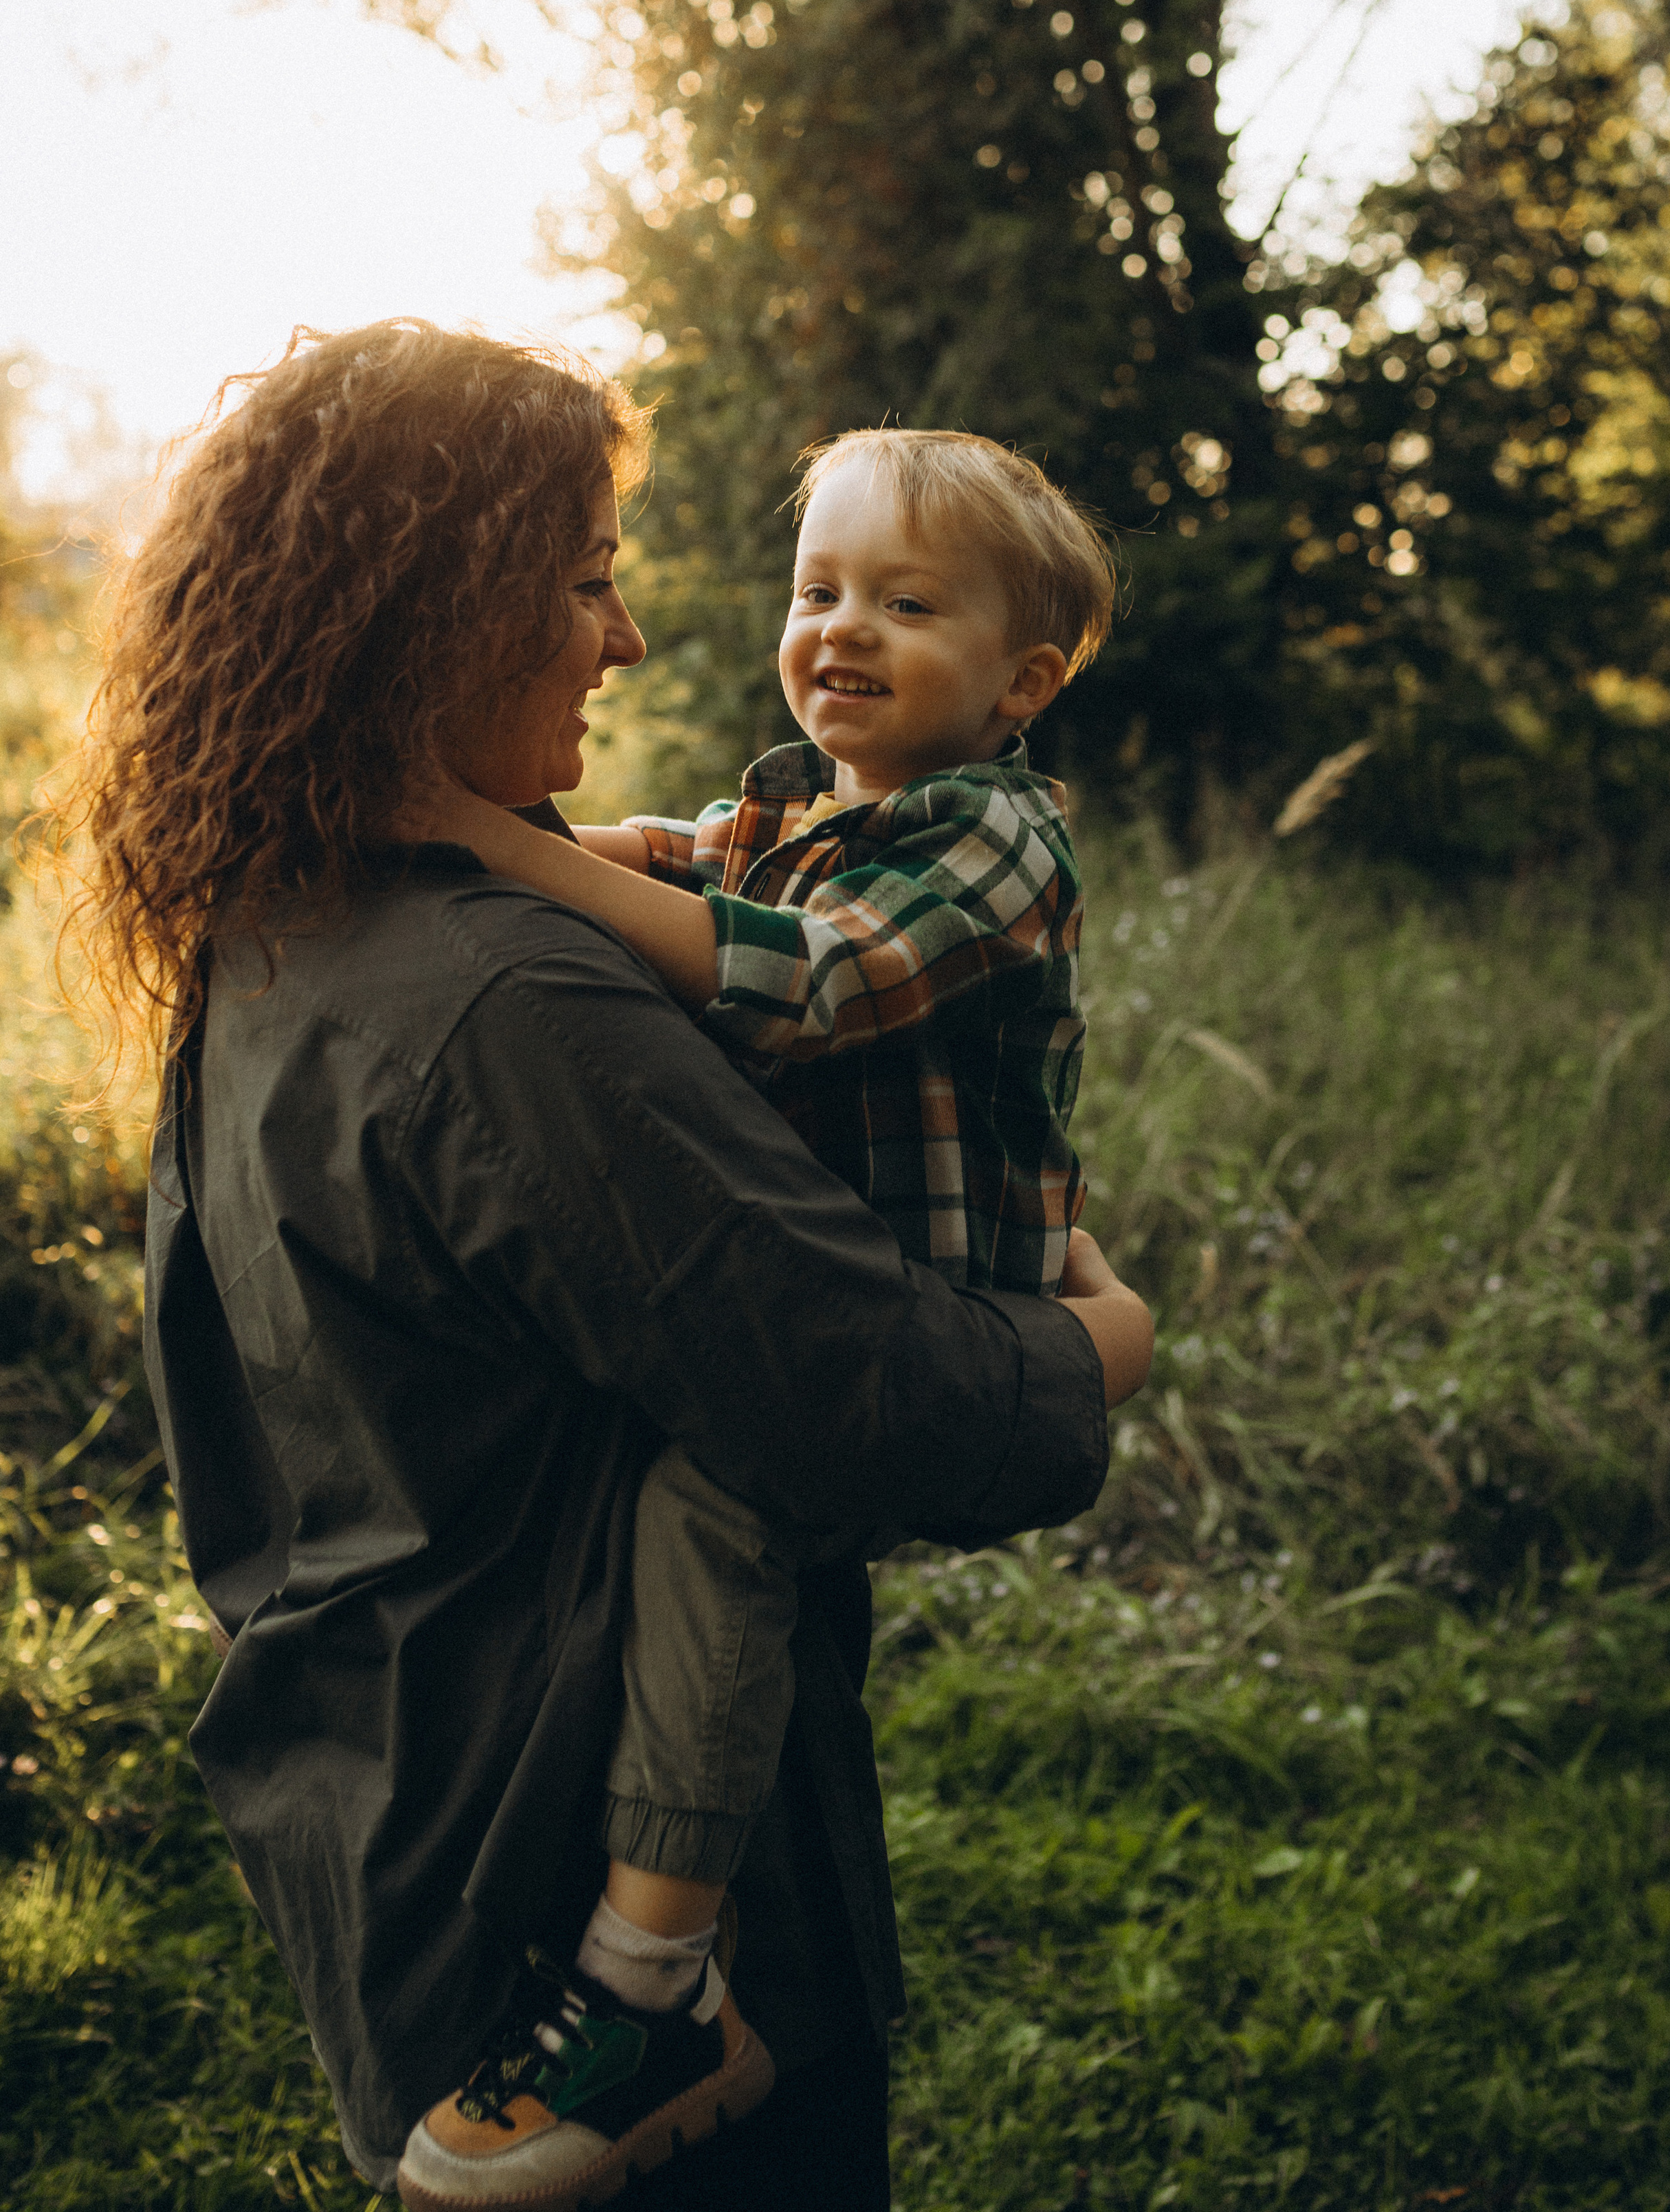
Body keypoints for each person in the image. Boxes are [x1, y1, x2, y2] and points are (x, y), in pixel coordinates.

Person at [45, 323, 1154, 2208]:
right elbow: (876, 1411)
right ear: (430, 606)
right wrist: (1103, 1341)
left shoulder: (274, 916)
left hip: (382, 1814)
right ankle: (661, 1989)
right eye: (583, 579)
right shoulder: (511, 1000)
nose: (628, 640)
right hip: (574, 1879)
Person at [409, 428, 1119, 2203]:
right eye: (817, 591)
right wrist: (546, 841)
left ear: (1021, 685)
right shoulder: (798, 803)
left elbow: (812, 981)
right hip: (823, 1273)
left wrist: (484, 843)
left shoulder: (997, 838)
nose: (840, 632)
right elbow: (681, 852)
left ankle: (655, 1977)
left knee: (717, 1518)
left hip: (934, 1304)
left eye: (906, 602)